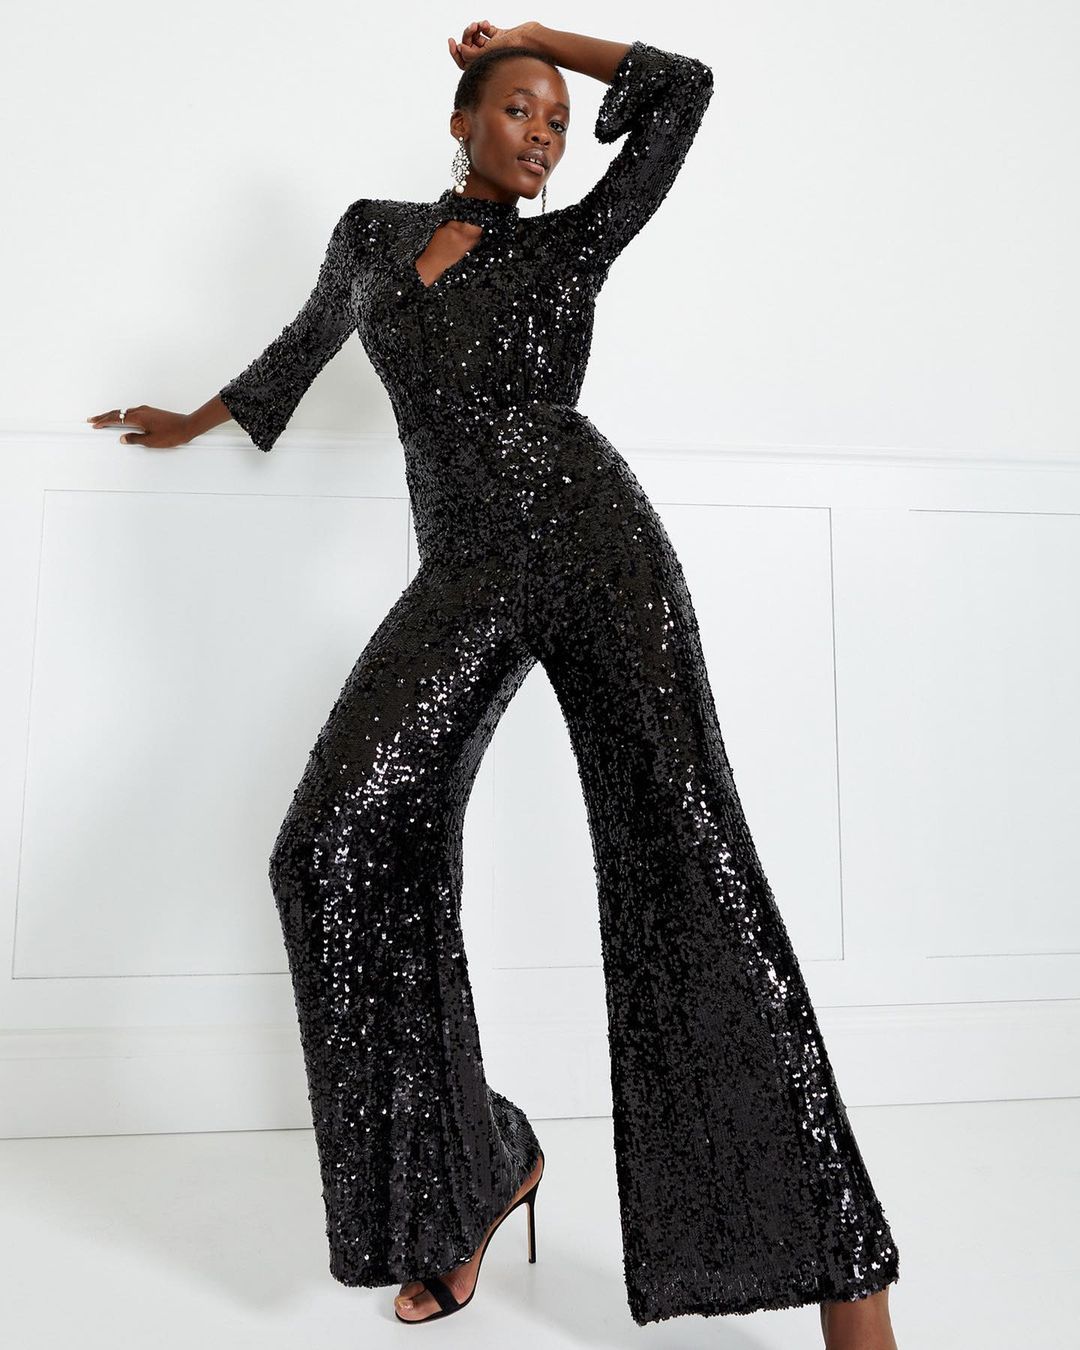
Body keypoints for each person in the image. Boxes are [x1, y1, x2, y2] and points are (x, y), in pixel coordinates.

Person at [87, 20, 901, 1345]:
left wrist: (539, 36)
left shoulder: (572, 243)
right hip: (465, 572)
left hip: (598, 549)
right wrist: (195, 417)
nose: (545, 133)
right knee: (328, 848)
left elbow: (685, 93)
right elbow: (301, 348)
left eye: (559, 120)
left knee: (689, 861)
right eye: (520, 106)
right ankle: (472, 1172)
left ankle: (849, 1279)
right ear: (461, 118)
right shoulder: (369, 237)